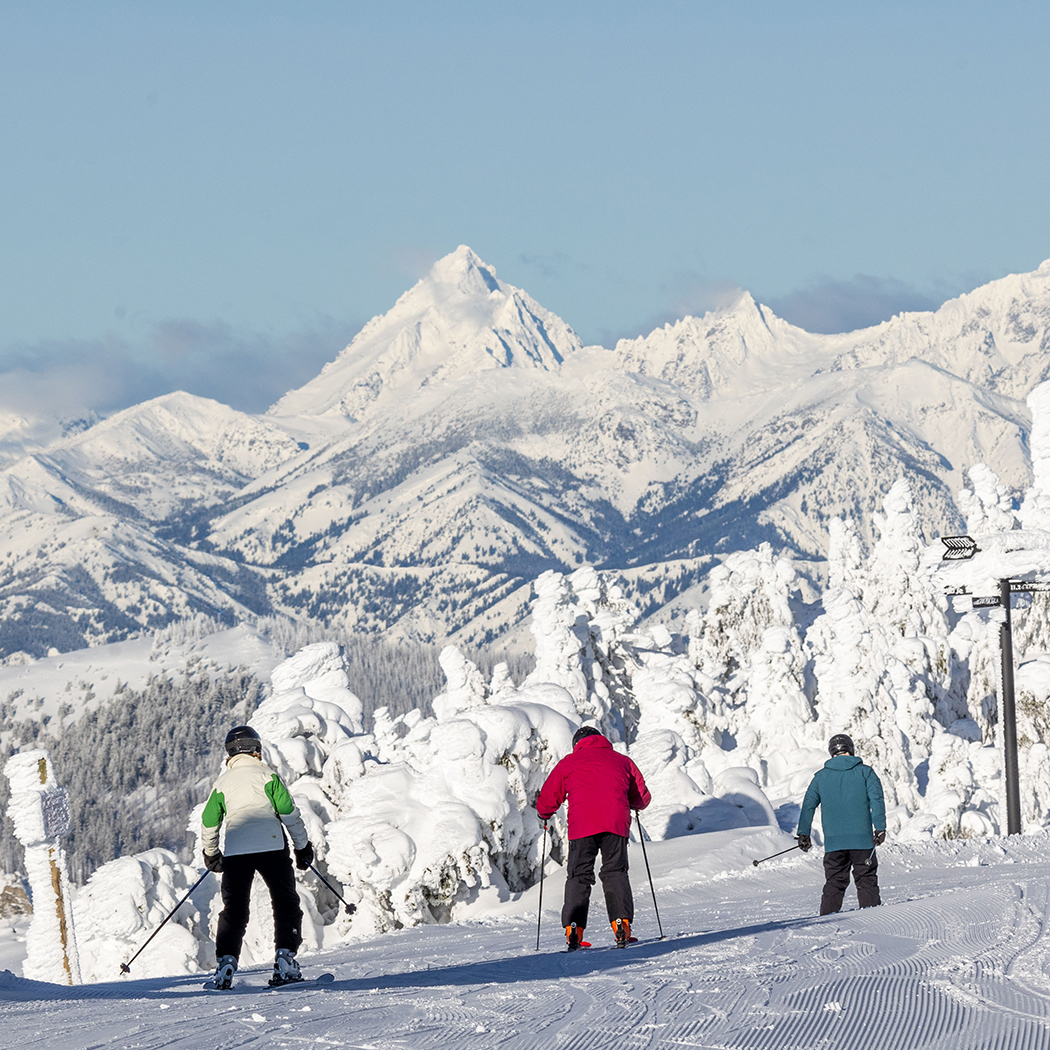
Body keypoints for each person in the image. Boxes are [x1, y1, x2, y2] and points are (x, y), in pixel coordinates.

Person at [201, 725, 315, 988]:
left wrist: (211, 853)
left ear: (230, 753)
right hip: (273, 847)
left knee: (235, 909)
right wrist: (302, 847)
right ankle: (286, 961)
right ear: (256, 750)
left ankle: (225, 964)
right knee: (285, 903)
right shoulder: (268, 776)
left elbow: (209, 822)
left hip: (237, 852)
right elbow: (290, 814)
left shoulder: (222, 784)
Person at [536, 725, 652, 950]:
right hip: (615, 823)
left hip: (582, 827)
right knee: (615, 872)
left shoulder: (568, 763)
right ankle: (622, 925)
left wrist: (544, 813)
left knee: (579, 875)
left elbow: (549, 797)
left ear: (577, 744)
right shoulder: (622, 761)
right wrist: (633, 803)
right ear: (601, 740)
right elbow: (642, 798)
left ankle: (573, 931)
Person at [796, 733, 886, 915]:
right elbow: (877, 799)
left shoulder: (820, 777)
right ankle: (874, 919)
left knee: (834, 882)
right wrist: (880, 828)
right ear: (850, 750)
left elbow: (808, 805)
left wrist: (803, 833)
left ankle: (825, 920)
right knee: (866, 879)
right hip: (862, 841)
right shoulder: (865, 772)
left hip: (834, 843)